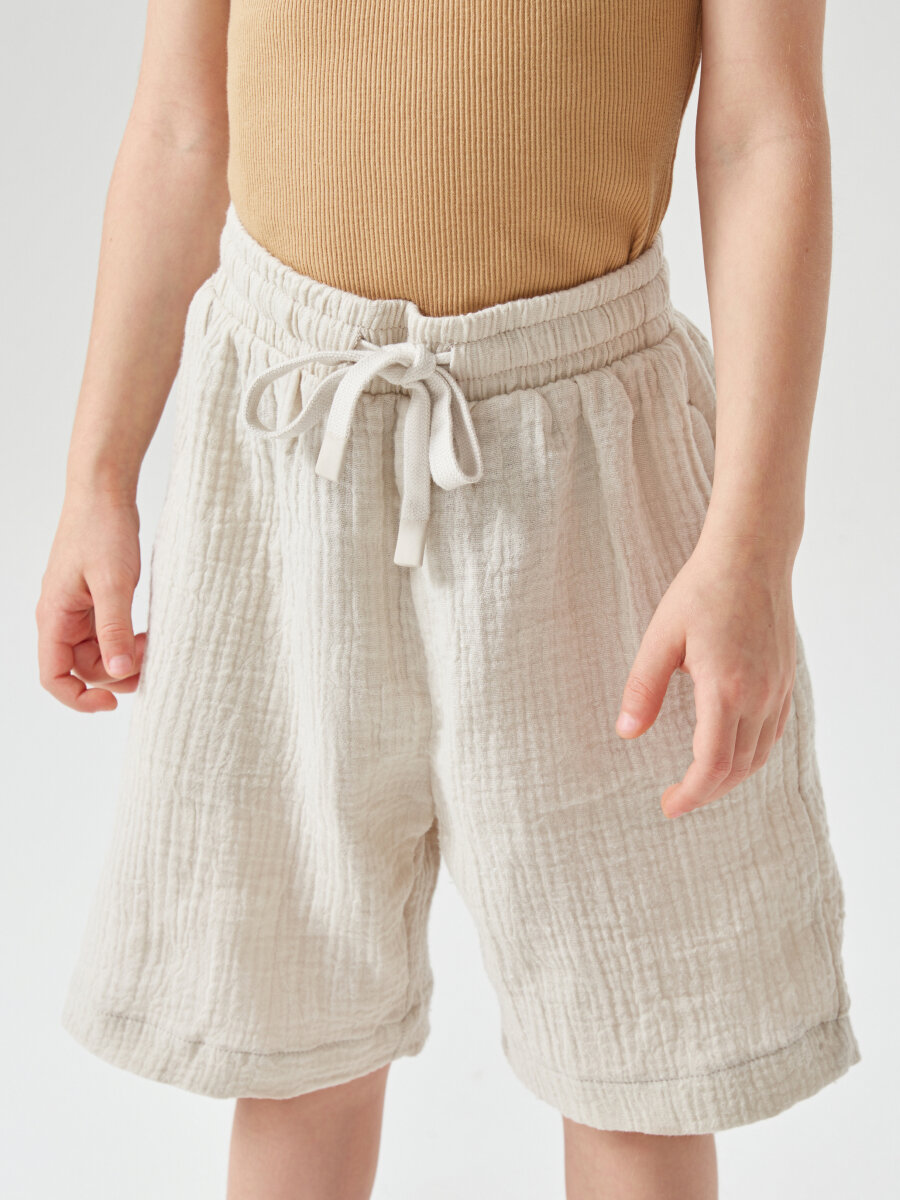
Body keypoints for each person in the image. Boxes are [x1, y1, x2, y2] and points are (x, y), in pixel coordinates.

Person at [36, 0, 861, 1196]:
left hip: (587, 456)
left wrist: (754, 544)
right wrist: (96, 479)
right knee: (291, 1042)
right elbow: (178, 121)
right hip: (288, 444)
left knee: (638, 1058)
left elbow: (762, 132)